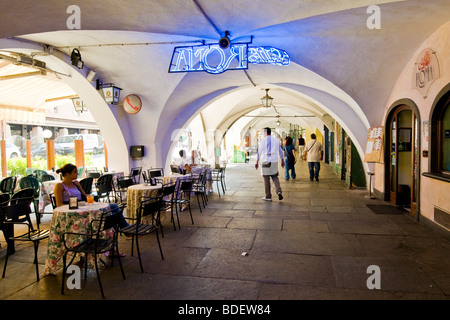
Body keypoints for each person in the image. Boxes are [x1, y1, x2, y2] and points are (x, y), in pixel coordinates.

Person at [54, 163, 128, 257]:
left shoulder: (76, 183)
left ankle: (119, 238)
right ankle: (124, 232)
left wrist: (90, 198)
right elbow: (58, 204)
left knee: (113, 208)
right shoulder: (60, 186)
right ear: (68, 174)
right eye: (75, 172)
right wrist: (75, 205)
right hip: (73, 212)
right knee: (111, 216)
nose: (77, 174)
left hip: (83, 206)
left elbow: (85, 195)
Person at [255, 127, 284, 201]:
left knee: (266, 178)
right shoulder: (276, 140)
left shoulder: (262, 141)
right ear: (270, 132)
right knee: (275, 177)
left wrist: (257, 161)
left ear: (265, 133)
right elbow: (280, 151)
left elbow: (259, 152)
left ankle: (268, 196)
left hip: (266, 160)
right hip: (274, 160)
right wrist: (282, 160)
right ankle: (279, 191)